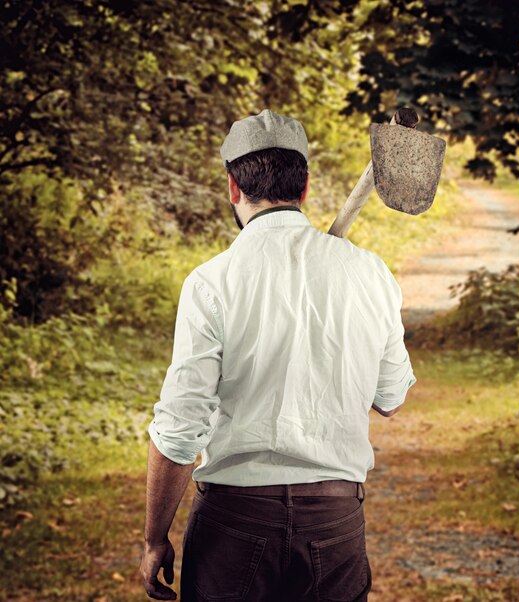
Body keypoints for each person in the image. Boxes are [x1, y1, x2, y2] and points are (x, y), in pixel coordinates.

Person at [139, 109, 417, 601]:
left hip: (234, 526)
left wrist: (153, 538)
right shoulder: (369, 273)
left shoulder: (210, 282)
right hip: (334, 525)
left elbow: (179, 432)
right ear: (305, 186)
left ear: (232, 187)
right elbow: (391, 398)